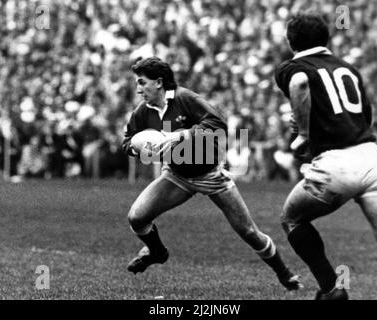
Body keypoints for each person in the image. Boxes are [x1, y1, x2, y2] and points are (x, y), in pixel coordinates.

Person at [122, 57, 302, 291]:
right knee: (136, 218)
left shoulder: (185, 99)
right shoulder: (143, 112)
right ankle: (157, 252)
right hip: (176, 175)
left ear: (158, 82)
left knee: (248, 231)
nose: (138, 89)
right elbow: (127, 141)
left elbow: (217, 123)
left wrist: (182, 135)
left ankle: (284, 274)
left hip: (210, 175)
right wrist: (139, 148)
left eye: (142, 83)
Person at [274, 13, 377, 300]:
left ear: (291, 40)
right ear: (326, 38)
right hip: (371, 158)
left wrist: (304, 136)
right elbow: (365, 117)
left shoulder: (294, 66)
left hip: (335, 165)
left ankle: (331, 288)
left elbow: (299, 84)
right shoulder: (348, 68)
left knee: (292, 219)